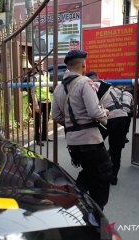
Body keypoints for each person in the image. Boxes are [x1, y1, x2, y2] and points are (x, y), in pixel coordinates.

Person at [52, 50, 113, 210]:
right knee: (103, 174)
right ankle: (96, 213)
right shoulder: (85, 82)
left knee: (88, 171)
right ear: (84, 65)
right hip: (91, 140)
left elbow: (56, 116)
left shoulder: (58, 88)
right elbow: (94, 112)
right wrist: (105, 114)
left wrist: (73, 125)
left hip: (73, 142)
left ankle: (74, 201)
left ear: (67, 66)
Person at [32, 60, 52, 146]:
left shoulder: (47, 74)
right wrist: (35, 104)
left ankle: (44, 136)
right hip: (39, 101)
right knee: (37, 121)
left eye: (42, 64)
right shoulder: (34, 76)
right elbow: (33, 92)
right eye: (39, 65)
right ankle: (37, 138)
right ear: (36, 66)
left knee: (46, 120)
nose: (41, 66)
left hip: (47, 100)